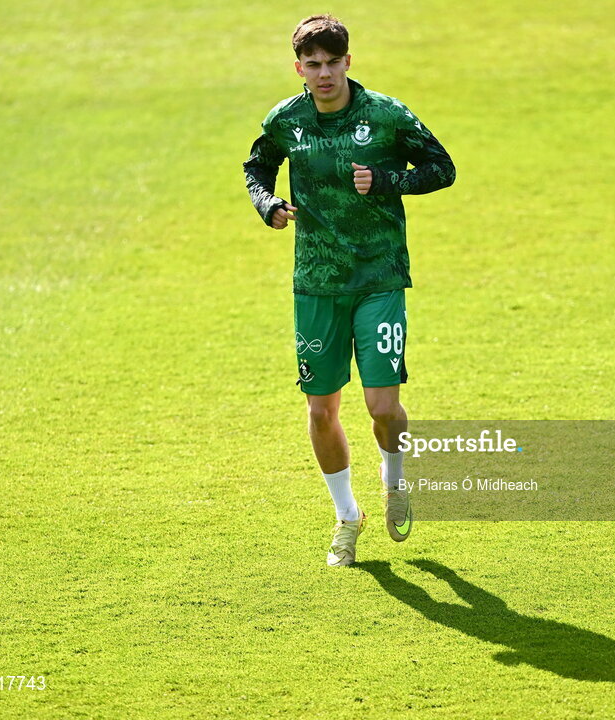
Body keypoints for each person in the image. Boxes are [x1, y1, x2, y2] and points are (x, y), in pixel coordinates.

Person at [243, 15, 455, 567]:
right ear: (299, 68)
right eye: (312, 65)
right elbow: (257, 168)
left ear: (347, 62)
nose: (324, 73)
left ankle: (395, 480)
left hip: (379, 276)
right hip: (317, 283)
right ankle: (346, 517)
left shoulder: (385, 115)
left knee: (382, 406)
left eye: (333, 62)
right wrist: (268, 206)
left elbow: (442, 167)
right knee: (320, 410)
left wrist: (389, 180)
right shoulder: (285, 120)